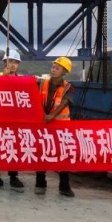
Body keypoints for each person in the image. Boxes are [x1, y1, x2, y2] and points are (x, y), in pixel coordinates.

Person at [35, 57, 74, 197]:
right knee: (41, 153)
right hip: (44, 125)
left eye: (57, 68)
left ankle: (64, 186)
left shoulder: (68, 87)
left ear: (64, 72)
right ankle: (40, 183)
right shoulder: (42, 83)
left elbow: (65, 102)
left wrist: (52, 115)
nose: (53, 70)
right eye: (53, 67)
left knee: (63, 155)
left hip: (61, 127)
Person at [0, 49, 25, 191]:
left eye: (16, 62)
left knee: (14, 148)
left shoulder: (22, 80)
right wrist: (3, 77)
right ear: (4, 63)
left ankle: (13, 176)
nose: (13, 65)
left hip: (15, 119)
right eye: (10, 62)